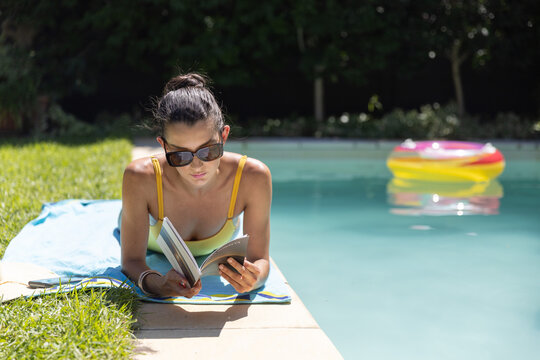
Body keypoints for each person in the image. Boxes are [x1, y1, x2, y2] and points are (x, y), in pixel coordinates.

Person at [120, 73, 271, 298]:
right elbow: (131, 261)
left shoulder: (252, 177)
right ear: (164, 146)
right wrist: (157, 285)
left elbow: (260, 259)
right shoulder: (141, 178)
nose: (197, 166)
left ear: (224, 136)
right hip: (142, 222)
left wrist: (254, 277)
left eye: (209, 151)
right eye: (180, 155)